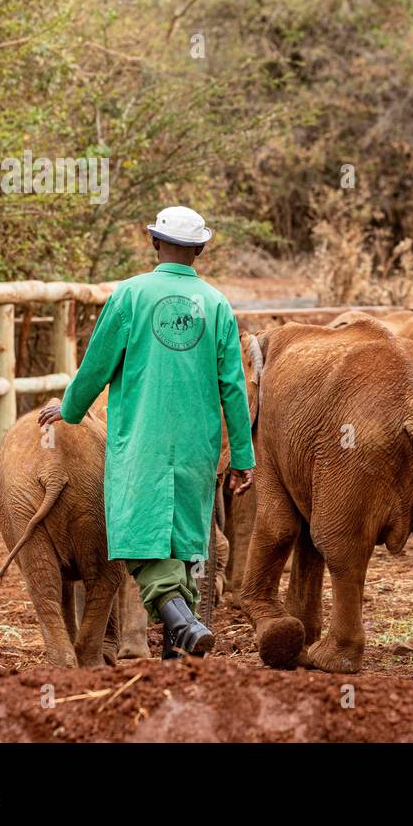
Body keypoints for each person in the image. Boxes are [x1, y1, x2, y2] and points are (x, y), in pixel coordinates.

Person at [39, 207, 255, 658]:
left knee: (137, 536)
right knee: (184, 544)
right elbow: (234, 386)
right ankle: (180, 651)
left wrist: (72, 407)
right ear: (199, 250)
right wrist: (241, 457)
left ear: (155, 243)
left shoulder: (131, 295)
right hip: (198, 446)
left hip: (141, 441)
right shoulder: (216, 304)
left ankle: (179, 620)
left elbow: (97, 362)